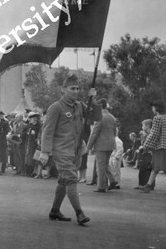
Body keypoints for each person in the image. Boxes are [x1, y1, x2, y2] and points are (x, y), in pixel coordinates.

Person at [40, 75, 101, 225]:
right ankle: (80, 213)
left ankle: (54, 210)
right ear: (63, 90)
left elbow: (97, 116)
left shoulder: (80, 105)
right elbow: (47, 131)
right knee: (72, 178)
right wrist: (44, 151)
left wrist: (93, 100)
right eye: (72, 88)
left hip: (76, 150)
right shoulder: (56, 107)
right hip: (61, 150)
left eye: (77, 88)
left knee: (64, 180)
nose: (75, 91)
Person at [141, 101, 166, 195]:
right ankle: (149, 185)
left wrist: (145, 145)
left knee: (160, 167)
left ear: (157, 108)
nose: (152, 109)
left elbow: (154, 133)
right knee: (158, 167)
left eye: (153, 107)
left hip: (159, 147)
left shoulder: (157, 118)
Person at [86, 98, 117, 193]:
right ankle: (112, 180)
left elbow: (94, 133)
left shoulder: (99, 117)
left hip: (101, 145)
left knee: (100, 166)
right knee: (105, 164)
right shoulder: (112, 117)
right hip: (111, 144)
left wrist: (88, 146)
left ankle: (101, 186)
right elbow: (115, 132)